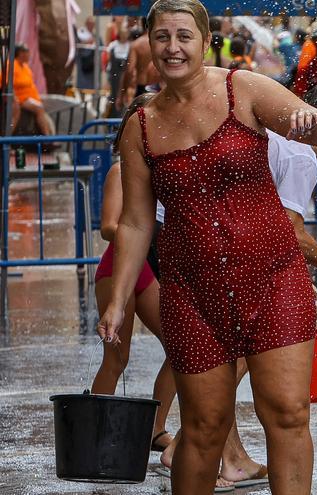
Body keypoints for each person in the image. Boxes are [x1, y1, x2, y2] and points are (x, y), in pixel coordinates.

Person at [96, 2, 317, 494]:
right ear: (149, 46)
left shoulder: (242, 88)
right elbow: (137, 222)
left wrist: (312, 121)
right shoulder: (141, 126)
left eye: (184, 36)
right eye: (162, 37)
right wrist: (119, 301)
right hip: (192, 295)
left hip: (274, 279)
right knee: (204, 430)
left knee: (289, 415)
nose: (173, 48)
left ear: (205, 41)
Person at [156, 83, 317, 489]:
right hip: (193, 245)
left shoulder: (282, 141)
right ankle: (193, 446)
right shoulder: (301, 155)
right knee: (241, 358)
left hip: (182, 240)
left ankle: (219, 453)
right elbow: (289, 233)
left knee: (213, 363)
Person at [91, 93, 175, 454]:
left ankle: (155, 429)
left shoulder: (164, 167)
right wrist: (144, 230)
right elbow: (109, 226)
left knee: (180, 348)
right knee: (116, 357)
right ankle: (95, 433)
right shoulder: (119, 170)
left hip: (148, 266)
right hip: (120, 267)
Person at [11, 45, 54, 136]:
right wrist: (14, 99)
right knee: (39, 108)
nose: (29, 55)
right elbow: (8, 84)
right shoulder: (12, 65)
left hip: (29, 97)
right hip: (19, 98)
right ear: (21, 54)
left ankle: (48, 136)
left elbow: (31, 85)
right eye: (27, 53)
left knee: (41, 107)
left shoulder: (26, 67)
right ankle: (46, 137)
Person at [105, 27, 132, 116]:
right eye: (123, 34)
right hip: (114, 76)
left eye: (126, 34)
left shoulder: (130, 46)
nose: (124, 36)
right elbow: (108, 59)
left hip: (125, 76)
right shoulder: (113, 45)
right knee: (113, 96)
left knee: (124, 96)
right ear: (119, 35)